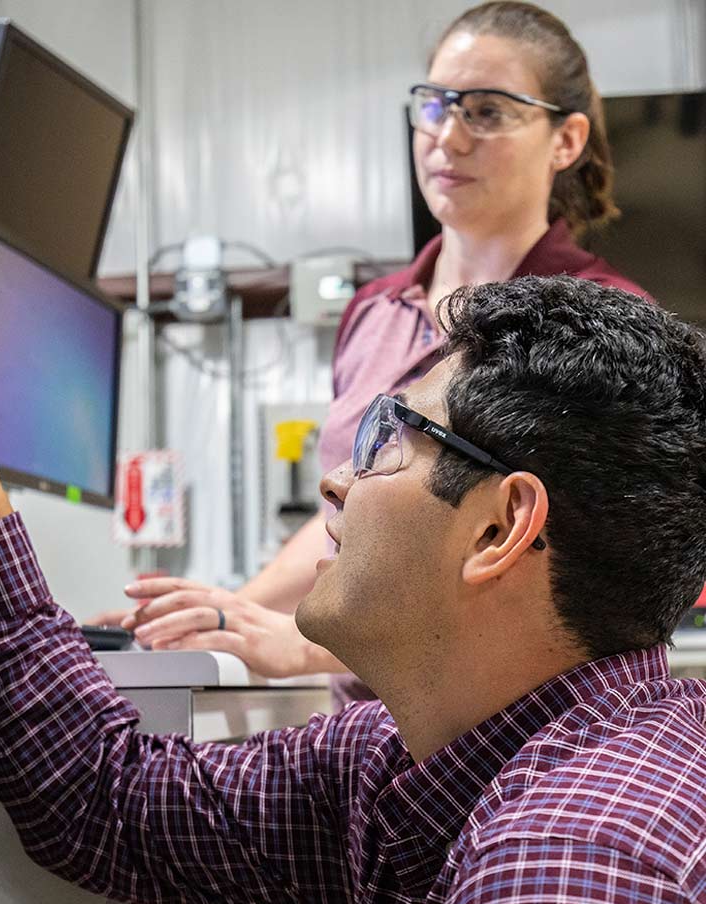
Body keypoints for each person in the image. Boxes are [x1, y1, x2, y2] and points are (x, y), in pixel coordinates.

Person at [0, 261, 706, 904]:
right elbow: (105, 800)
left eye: (385, 438)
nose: (336, 482)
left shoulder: (566, 882)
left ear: (497, 528)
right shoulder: (413, 760)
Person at [107, 0, 648, 709]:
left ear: (566, 138)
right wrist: (222, 613)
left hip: (505, 737)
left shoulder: (601, 324)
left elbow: (551, 571)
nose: (447, 139)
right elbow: (358, 506)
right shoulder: (374, 310)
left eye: (487, 112)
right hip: (365, 728)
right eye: (436, 105)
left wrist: (303, 642)